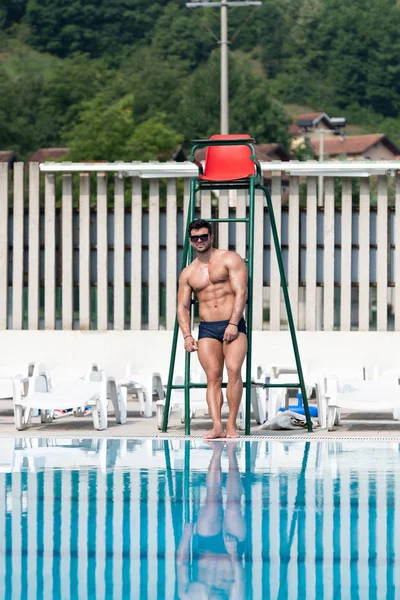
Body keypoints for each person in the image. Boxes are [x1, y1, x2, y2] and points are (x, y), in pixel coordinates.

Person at [177, 218, 248, 439]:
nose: (200, 240)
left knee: (234, 371)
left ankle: (231, 425)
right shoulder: (188, 273)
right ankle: (217, 425)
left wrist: (234, 323)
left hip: (233, 324)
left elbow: (241, 293)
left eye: (203, 236)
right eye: (195, 238)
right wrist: (187, 335)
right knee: (213, 377)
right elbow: (182, 306)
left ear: (211, 237)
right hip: (207, 328)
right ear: (190, 241)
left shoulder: (229, 259)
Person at [176, 441, 246, 600]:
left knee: (212, 502)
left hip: (206, 542)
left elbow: (181, 563)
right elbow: (240, 578)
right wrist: (234, 555)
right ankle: (231, 453)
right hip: (232, 551)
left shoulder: (190, 595)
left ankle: (216, 453)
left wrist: (186, 537)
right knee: (233, 505)